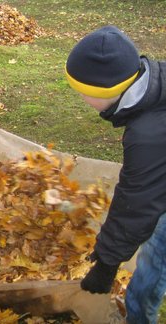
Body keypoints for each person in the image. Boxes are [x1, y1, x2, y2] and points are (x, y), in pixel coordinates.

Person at [65, 25, 166, 324]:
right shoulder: (156, 81)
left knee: (155, 259)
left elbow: (136, 203)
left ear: (106, 91)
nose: (82, 99)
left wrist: (107, 264)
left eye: (84, 93)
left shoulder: (147, 135)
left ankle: (138, 317)